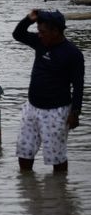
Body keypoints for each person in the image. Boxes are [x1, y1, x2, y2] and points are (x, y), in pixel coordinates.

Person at [13, 9, 84, 172]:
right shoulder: (40, 43)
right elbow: (17, 35)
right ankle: (28, 187)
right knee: (24, 153)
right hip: (31, 107)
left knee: (57, 158)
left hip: (56, 112)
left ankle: (59, 192)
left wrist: (75, 112)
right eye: (38, 31)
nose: (39, 35)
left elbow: (78, 86)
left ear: (56, 31)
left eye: (42, 32)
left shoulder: (73, 54)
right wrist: (28, 19)